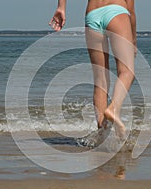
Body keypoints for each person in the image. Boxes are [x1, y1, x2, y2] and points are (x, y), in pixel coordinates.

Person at [50, 0, 136, 148]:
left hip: (92, 15)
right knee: (127, 71)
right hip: (117, 12)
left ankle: (101, 135)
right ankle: (113, 109)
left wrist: (61, 8)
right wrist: (133, 39)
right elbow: (131, 9)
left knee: (100, 80)